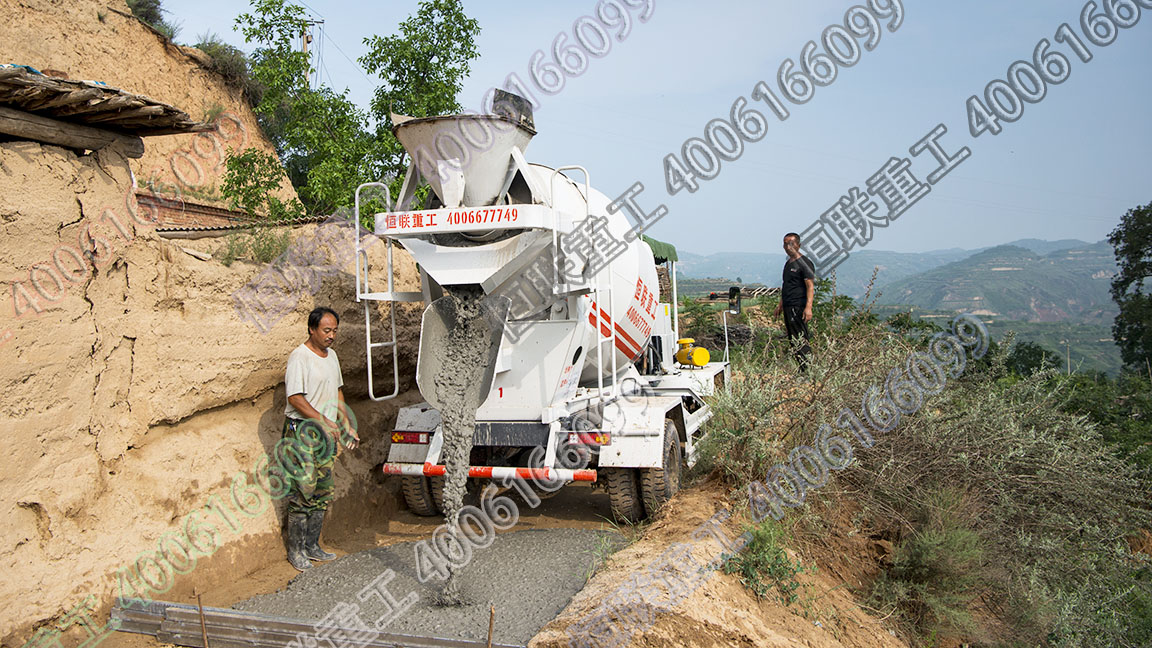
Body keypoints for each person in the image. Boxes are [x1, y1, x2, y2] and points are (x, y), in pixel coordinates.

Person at [281, 306, 359, 571]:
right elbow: (295, 398)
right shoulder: (299, 357)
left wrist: (345, 423)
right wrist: (323, 420)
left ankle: (312, 545)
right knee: (303, 491)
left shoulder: (332, 356)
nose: (331, 336)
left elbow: (336, 392)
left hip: (327, 434)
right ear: (311, 329)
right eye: (326, 330)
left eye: (335, 330)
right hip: (302, 432)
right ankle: (296, 550)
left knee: (322, 490)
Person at [772, 232, 815, 373]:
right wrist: (780, 305)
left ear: (798, 245)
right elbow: (786, 285)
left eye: (791, 243)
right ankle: (802, 368)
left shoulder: (805, 263)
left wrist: (808, 308)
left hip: (798, 305)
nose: (788, 246)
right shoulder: (788, 264)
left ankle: (808, 369)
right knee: (792, 339)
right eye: (785, 243)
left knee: (800, 337)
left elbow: (810, 286)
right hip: (788, 305)